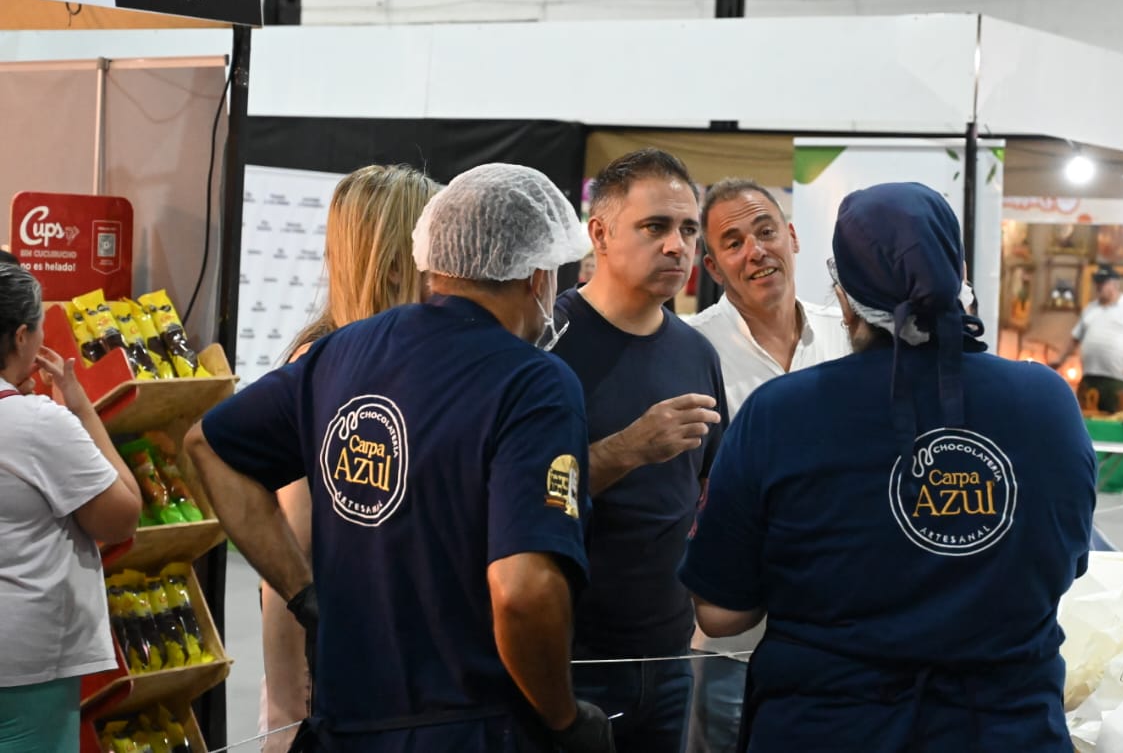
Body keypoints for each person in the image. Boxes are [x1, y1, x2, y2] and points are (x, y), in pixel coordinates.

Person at [186, 164, 614, 753]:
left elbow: (206, 446)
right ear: (538, 275)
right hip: (471, 727)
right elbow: (523, 591)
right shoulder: (533, 382)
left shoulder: (341, 353)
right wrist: (565, 718)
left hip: (345, 723)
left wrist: (303, 591)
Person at [679, 182, 1096, 752]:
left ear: (845, 298)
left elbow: (723, 613)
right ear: (959, 273)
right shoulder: (1047, 403)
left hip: (827, 729)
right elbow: (1068, 563)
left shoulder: (780, 413)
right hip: (1003, 729)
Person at [553, 148, 727, 752]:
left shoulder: (695, 352)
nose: (678, 246)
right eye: (655, 227)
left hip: (669, 656)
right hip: (569, 660)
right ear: (599, 234)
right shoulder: (547, 341)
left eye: (689, 229)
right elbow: (507, 496)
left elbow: (704, 491)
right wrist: (626, 449)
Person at [259, 163, 436, 752]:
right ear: (395, 263)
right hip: (337, 684)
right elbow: (289, 548)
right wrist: (287, 710)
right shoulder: (321, 365)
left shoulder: (410, 360)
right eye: (434, 245)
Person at [682, 178, 849, 752]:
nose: (755, 252)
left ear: (793, 237)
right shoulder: (690, 348)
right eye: (733, 243)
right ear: (713, 266)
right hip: (730, 643)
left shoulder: (849, 334)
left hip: (838, 635)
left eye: (766, 231)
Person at [0, 264, 143, 753]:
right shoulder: (36, 422)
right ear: (22, 336)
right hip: (26, 659)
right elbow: (122, 514)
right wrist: (80, 408)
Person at [1051, 264, 1123, 413]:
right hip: (1090, 378)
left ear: (1115, 284)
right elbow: (1074, 338)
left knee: (1116, 420)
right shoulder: (1090, 309)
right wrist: (1060, 360)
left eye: (1103, 282)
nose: (1098, 286)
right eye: (1097, 282)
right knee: (1084, 420)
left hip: (1117, 380)